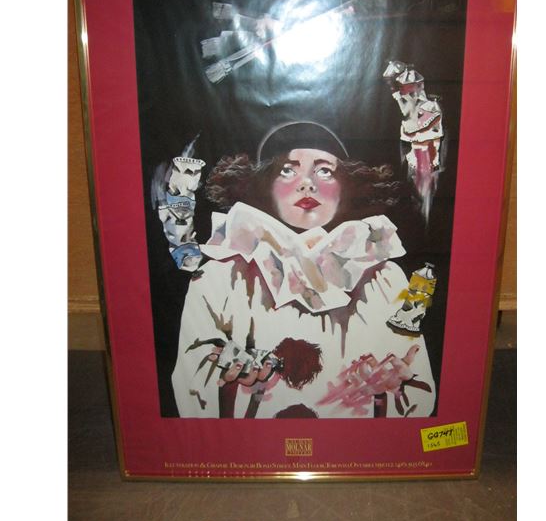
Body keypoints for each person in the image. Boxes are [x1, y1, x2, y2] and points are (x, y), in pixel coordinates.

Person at [171, 121, 436, 418]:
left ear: (347, 186)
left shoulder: (385, 279)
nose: (307, 183)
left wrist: (395, 385)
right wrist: (229, 379)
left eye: (325, 171)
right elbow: (191, 386)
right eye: (287, 170)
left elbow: (418, 392)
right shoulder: (218, 276)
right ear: (264, 183)